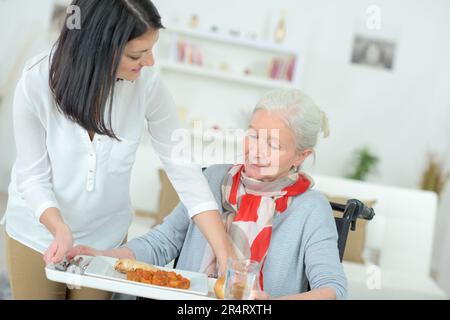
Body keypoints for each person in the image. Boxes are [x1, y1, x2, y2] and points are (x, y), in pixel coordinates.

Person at [1, 0, 234, 300]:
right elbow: (32, 176)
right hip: (37, 234)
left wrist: (223, 249)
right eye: (137, 54)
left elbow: (183, 167)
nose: (149, 62)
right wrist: (58, 227)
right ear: (98, 50)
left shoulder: (147, 85)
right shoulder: (36, 81)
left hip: (105, 240)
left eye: (151, 49)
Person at [70, 89, 348, 300]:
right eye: (253, 136)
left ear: (301, 155)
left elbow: (332, 289)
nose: (256, 151)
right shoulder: (213, 178)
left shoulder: (311, 208)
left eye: (273, 145)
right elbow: (162, 242)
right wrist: (102, 256)